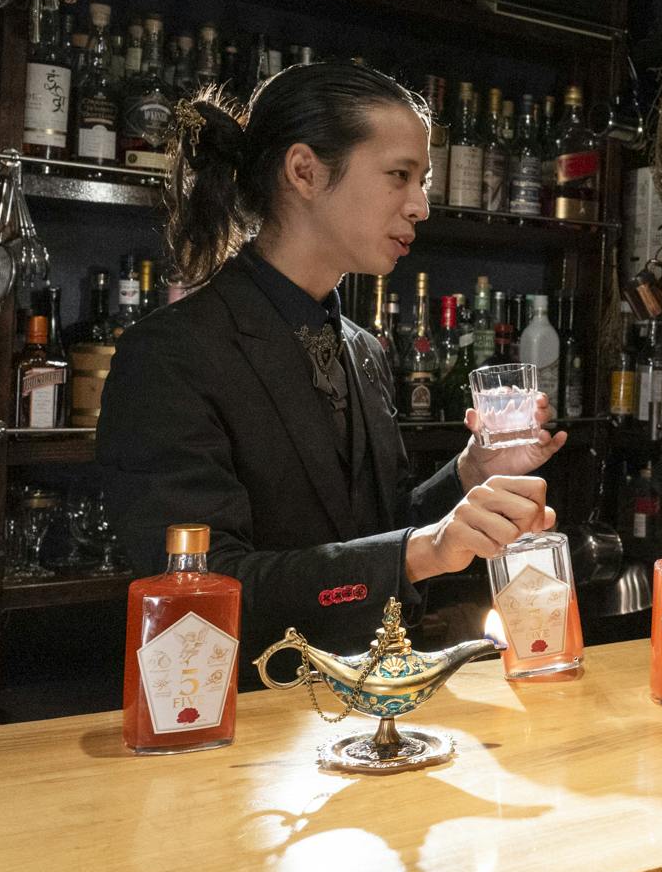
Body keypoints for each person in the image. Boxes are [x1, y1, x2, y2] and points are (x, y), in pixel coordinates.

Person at [98, 61, 566, 666]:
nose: (421, 206)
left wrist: (470, 472)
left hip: (371, 695)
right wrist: (424, 550)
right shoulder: (171, 353)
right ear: (304, 171)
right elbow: (201, 590)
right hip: (244, 706)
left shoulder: (362, 348)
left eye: (422, 181)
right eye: (399, 175)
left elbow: (380, 530)